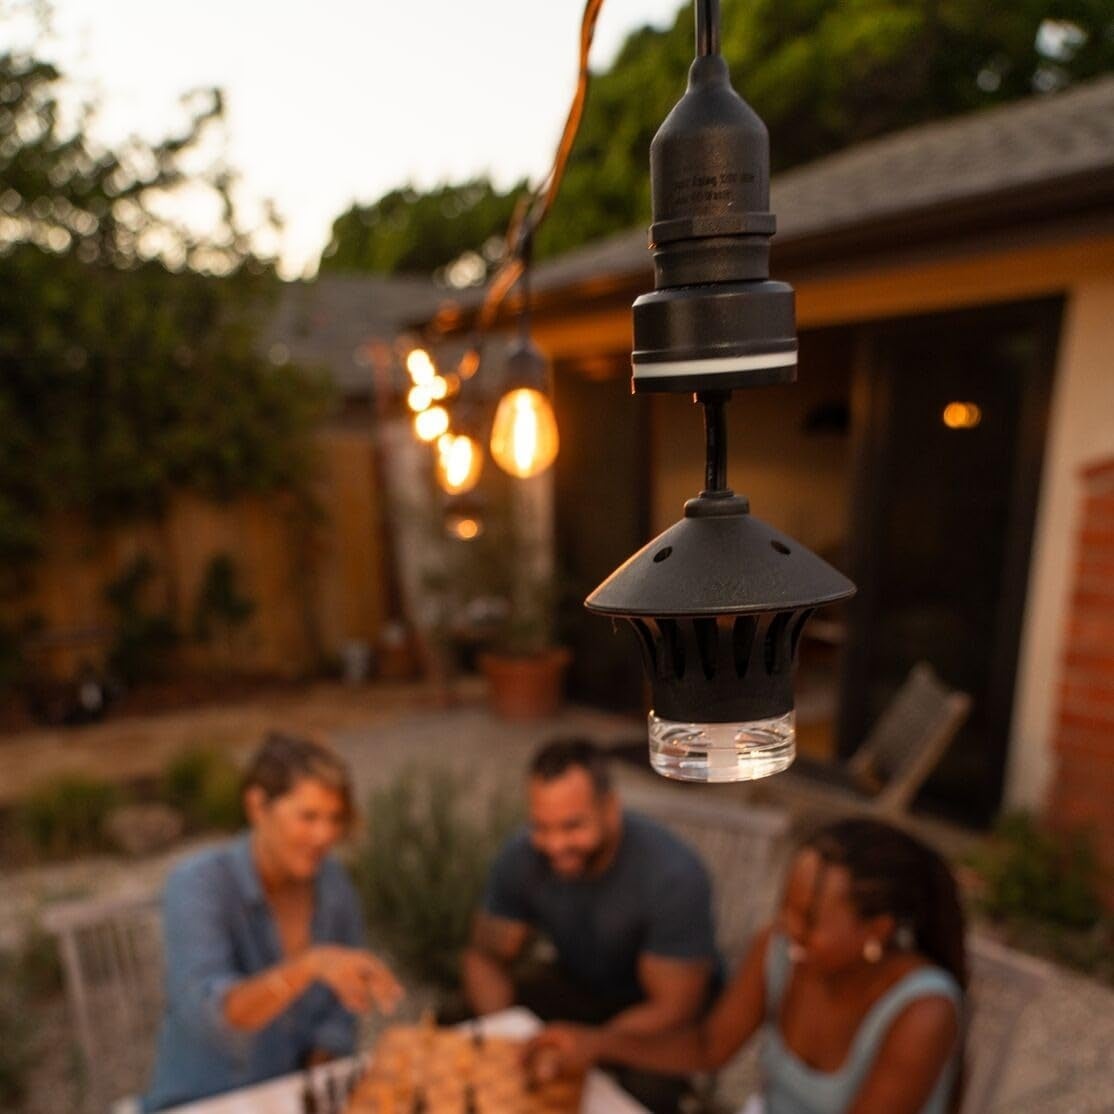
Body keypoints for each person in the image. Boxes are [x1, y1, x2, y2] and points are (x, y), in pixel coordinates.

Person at [529, 818, 967, 1114]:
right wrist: (595, 1043)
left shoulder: (924, 1013)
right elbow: (708, 1047)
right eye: (785, 907)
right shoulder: (779, 949)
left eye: (809, 919)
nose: (788, 928)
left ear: (877, 930)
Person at [143, 733, 403, 1112]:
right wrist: (309, 966)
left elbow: (338, 1015)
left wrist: (321, 1076)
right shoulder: (198, 884)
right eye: (308, 817)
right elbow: (212, 1017)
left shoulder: (332, 883)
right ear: (257, 806)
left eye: (335, 819)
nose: (325, 835)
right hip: (206, 1101)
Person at [462, 738, 719, 1114]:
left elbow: (674, 1007)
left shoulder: (673, 877)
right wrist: (504, 1035)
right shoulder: (521, 856)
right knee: (461, 1019)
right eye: (541, 827)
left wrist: (589, 1045)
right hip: (582, 985)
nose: (554, 845)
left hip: (654, 1011)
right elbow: (484, 957)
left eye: (572, 826)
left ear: (610, 808)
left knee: (649, 1090)